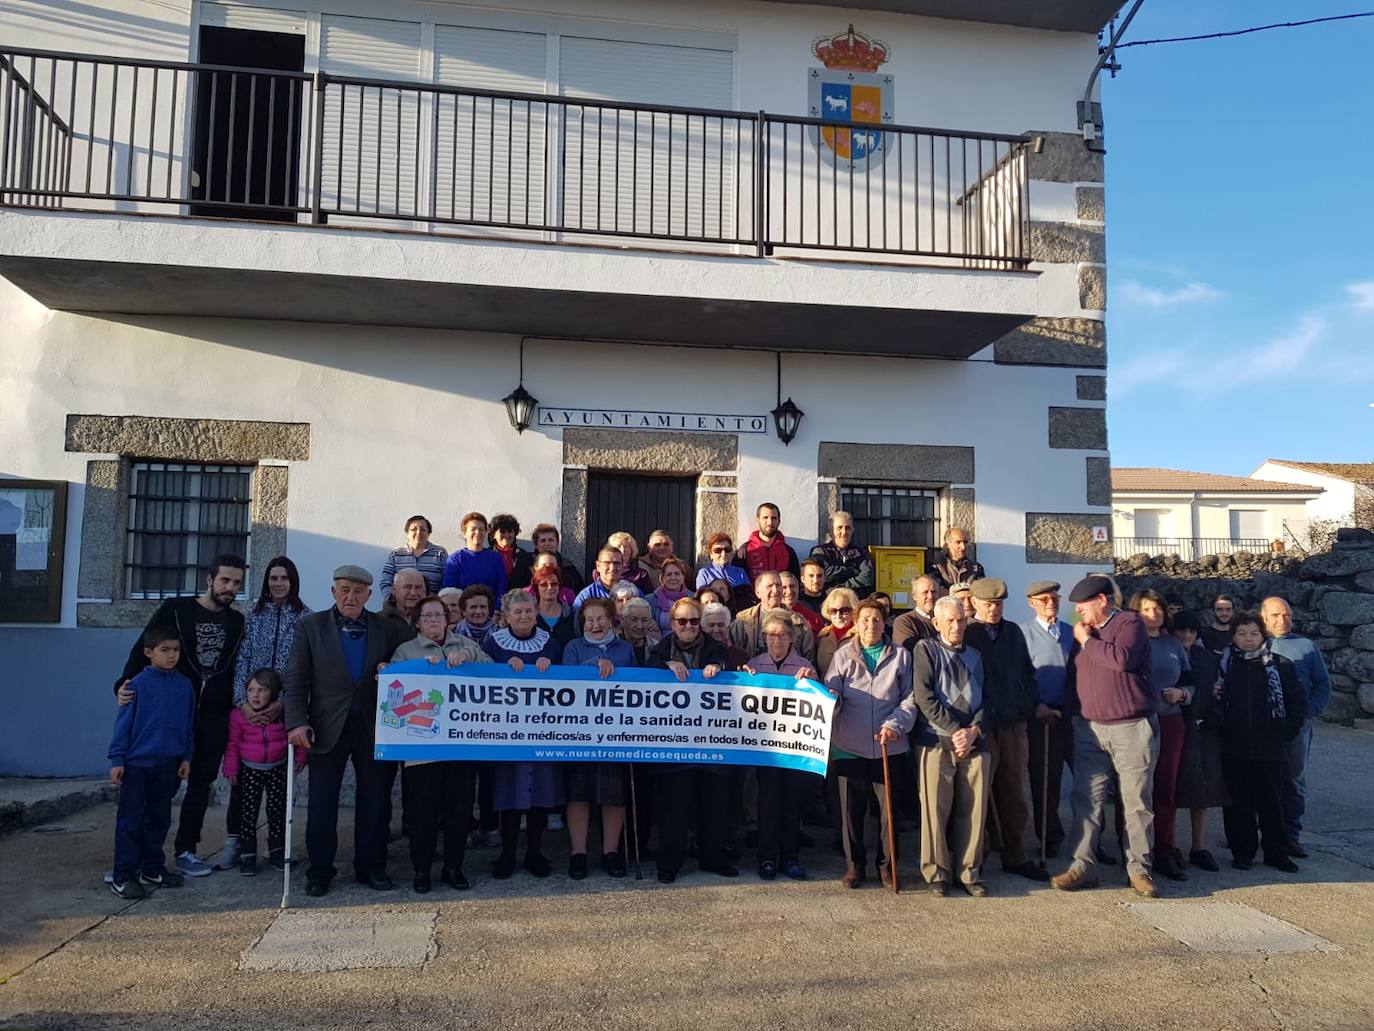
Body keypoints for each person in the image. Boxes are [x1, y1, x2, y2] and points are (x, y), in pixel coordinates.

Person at [114, 554, 246, 879]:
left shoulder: (237, 622)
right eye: (225, 580)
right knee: (157, 792)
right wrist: (123, 683)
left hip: (214, 716)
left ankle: (186, 851)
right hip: (171, 716)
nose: (230, 588)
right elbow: (142, 648)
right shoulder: (176, 609)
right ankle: (136, 862)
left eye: (237, 583)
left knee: (200, 786)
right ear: (209, 580)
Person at [285, 565, 410, 896]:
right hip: (325, 727)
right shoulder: (310, 626)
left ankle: (371, 867)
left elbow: (410, 662)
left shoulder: (387, 629)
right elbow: (296, 678)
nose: (350, 596)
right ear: (333, 592)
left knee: (375, 801)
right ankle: (320, 871)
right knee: (322, 804)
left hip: (374, 726)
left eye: (358, 591)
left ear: (369, 595)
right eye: (344, 589)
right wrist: (296, 721)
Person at [1051, 575, 1160, 899]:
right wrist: (1072, 715)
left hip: (1131, 726)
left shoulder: (1130, 623)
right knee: (1086, 798)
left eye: (1082, 606)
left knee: (1136, 801)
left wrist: (1088, 641)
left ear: (1102, 601)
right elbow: (1075, 677)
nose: (1077, 612)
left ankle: (1139, 869)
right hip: (1089, 728)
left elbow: (1121, 660)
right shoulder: (1084, 633)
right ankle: (1082, 865)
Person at [221, 556, 310, 871]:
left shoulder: (305, 618)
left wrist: (282, 703)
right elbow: (241, 658)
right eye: (273, 578)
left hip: (284, 711)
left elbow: (303, 666)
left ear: (293, 581)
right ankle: (239, 847)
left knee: (278, 794)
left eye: (284, 578)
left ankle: (278, 848)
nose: (278, 583)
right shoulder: (253, 616)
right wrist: (243, 703)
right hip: (250, 708)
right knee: (243, 793)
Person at [388, 595, 482, 892]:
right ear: (417, 622)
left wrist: (467, 655)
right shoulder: (405, 652)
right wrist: (420, 670)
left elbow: (494, 671)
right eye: (426, 616)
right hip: (422, 748)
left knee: (459, 809)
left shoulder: (466, 644)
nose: (433, 621)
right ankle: (422, 869)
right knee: (422, 812)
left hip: (462, 745)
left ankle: (454, 867)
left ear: (447, 619)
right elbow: (394, 691)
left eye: (438, 615)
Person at [825, 598, 917, 889]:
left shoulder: (901, 656)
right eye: (864, 619)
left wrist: (895, 725)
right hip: (848, 744)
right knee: (851, 813)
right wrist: (831, 699)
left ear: (884, 622)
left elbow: (910, 699)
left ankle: (887, 866)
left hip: (889, 746)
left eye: (876, 619)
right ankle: (855, 866)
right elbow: (832, 689)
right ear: (855, 623)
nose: (870, 625)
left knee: (888, 813)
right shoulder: (842, 655)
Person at [1208, 611, 1306, 872]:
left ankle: (1276, 852)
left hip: (1270, 747)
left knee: (1272, 803)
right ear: (1233, 637)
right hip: (1234, 745)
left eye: (1253, 633)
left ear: (1263, 635)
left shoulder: (1281, 665)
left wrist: (1287, 732)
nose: (1248, 639)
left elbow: (1297, 702)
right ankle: (1243, 852)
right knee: (1239, 803)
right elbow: (1214, 701)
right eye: (1241, 634)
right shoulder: (1225, 666)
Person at [648, 597, 736, 883]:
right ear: (672, 623)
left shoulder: (718, 650)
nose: (688, 626)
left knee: (716, 806)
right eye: (682, 621)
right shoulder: (659, 651)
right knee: (675, 808)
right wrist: (665, 667)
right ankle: (670, 862)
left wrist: (719, 667)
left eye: (694, 621)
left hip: (713, 746)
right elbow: (645, 686)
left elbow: (734, 674)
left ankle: (714, 858)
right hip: (674, 748)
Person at [964, 579, 1046, 882]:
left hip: (1013, 724)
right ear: (974, 603)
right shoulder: (968, 633)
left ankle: (1016, 855)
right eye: (988, 604)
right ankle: (977, 857)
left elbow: (1028, 672)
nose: (994, 609)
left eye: (998, 604)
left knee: (1014, 793)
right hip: (982, 727)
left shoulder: (1013, 632)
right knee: (979, 795)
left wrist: (1026, 704)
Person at [107, 625, 195, 898]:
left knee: (159, 817)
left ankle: (152, 867)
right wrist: (117, 759)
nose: (171, 656)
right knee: (130, 819)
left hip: (168, 764)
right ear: (149, 652)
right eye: (164, 650)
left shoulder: (184, 686)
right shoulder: (136, 685)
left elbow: (188, 724)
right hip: (137, 764)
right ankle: (123, 873)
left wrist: (186, 756)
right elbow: (123, 725)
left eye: (176, 650)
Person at [482, 590, 565, 879]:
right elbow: (482, 679)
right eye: (517, 612)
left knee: (540, 794)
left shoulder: (550, 644)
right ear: (506, 616)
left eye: (529, 612)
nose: (524, 616)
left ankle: (534, 853)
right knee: (509, 794)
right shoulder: (493, 643)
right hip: (508, 730)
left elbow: (566, 683)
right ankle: (507, 853)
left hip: (543, 729)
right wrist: (503, 671)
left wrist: (549, 669)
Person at [912, 597, 991, 896]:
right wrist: (957, 730)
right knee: (935, 809)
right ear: (936, 623)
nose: (957, 626)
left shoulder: (976, 655)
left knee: (974, 810)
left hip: (974, 741)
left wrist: (973, 730)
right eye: (950, 621)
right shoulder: (926, 649)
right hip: (936, 741)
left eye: (961, 620)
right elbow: (924, 697)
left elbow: (987, 698)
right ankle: (937, 873)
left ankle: (969, 873)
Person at [561, 596, 633, 879]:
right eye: (589, 620)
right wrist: (592, 663)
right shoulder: (573, 647)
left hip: (615, 731)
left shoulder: (625, 649)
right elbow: (564, 680)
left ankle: (610, 852)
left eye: (601, 619)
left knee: (614, 795)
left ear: (611, 620)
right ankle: (578, 853)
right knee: (578, 794)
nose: (595, 624)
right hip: (580, 731)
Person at [743, 614, 817, 881]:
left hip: (794, 750)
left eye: (782, 634)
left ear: (792, 638)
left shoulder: (804, 665)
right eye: (771, 635)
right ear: (764, 638)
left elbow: (818, 703)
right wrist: (745, 681)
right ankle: (766, 858)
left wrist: (811, 681)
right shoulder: (753, 665)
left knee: (791, 805)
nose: (777, 639)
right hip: (765, 749)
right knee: (767, 804)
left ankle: (790, 857)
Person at [1128, 588, 1193, 881]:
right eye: (1146, 609)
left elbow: (1191, 682)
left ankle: (1165, 850)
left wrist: (1182, 694)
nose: (1153, 615)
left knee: (1165, 788)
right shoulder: (1129, 643)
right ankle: (1132, 851)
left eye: (1157, 609)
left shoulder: (1173, 644)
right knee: (1136, 790)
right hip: (1136, 723)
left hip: (1170, 722)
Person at [1261, 596, 1332, 859]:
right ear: (1264, 617)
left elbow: (1322, 685)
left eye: (1287, 615)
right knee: (1262, 778)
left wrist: (1308, 714)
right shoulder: (1255, 643)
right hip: (1261, 725)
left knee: (1293, 780)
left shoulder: (1306, 646)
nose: (1283, 620)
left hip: (1296, 726)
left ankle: (1291, 835)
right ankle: (1260, 832)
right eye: (1276, 615)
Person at [1020, 580, 1074, 860]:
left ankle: (1091, 839)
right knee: (1047, 783)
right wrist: (1036, 706)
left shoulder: (1071, 633)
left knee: (1090, 782)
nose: (1050, 602)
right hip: (1042, 718)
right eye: (1044, 599)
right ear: (1031, 603)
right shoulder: (1023, 635)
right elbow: (1021, 679)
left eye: (1054, 598)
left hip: (1073, 716)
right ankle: (1049, 837)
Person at [1170, 610, 1228, 872]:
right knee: (1170, 787)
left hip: (1203, 729)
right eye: (1182, 631)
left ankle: (1198, 846)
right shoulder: (1167, 655)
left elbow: (1214, 690)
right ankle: (1169, 844)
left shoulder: (1205, 657)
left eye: (1192, 631)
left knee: (1202, 790)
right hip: (1174, 725)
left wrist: (1212, 717)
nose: (1187, 636)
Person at [222, 668, 293, 876]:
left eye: (261, 690)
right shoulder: (238, 716)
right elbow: (233, 744)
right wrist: (231, 768)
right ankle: (247, 856)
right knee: (248, 813)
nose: (255, 695)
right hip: (250, 769)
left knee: (276, 811)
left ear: (273, 692)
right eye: (251, 690)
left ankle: (277, 852)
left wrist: (299, 758)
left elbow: (294, 737)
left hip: (277, 767)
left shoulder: (282, 715)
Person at [730, 571, 816, 661]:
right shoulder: (742, 622)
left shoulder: (799, 623)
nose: (775, 590)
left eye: (778, 585)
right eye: (770, 586)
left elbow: (808, 660)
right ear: (757, 593)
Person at [380, 514, 448, 597]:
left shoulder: (440, 553)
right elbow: (386, 582)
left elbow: (447, 582)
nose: (419, 532)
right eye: (413, 529)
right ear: (407, 533)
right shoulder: (396, 555)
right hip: (401, 606)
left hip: (430, 606)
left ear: (429, 533)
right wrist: (392, 601)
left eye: (423, 529)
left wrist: (437, 602)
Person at [809, 510, 874, 597]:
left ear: (852, 530)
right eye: (839, 527)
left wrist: (842, 587)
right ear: (831, 531)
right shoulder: (820, 551)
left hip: (855, 602)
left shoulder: (861, 553)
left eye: (848, 528)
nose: (844, 532)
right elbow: (824, 573)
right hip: (826, 602)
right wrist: (853, 570)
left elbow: (867, 578)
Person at [442, 512, 508, 597]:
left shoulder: (495, 558)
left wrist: (496, 609)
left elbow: (502, 588)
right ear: (464, 533)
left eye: (481, 529)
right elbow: (449, 590)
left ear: (486, 532)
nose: (477, 532)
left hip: (491, 609)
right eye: (473, 529)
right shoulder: (455, 559)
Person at [733, 503, 801, 582]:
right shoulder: (744, 551)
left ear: (779, 521)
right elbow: (737, 583)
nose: (769, 522)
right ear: (757, 520)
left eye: (774, 518)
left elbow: (795, 583)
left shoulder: (789, 552)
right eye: (765, 518)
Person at [815, 587, 860, 675]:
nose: (838, 616)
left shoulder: (861, 635)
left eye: (844, 610)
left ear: (854, 611)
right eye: (833, 611)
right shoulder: (822, 637)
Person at [530, 522, 585, 593]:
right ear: (536, 545)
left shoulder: (568, 567)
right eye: (543, 540)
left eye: (551, 540)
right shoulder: (527, 565)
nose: (547, 544)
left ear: (557, 543)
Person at [531, 565, 577, 649]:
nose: (550, 588)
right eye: (544, 584)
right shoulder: (530, 616)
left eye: (554, 584)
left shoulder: (572, 615)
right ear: (536, 588)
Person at [892, 574, 940, 651]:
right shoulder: (904, 622)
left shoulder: (946, 620)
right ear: (914, 596)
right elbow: (914, 652)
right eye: (925, 592)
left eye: (933, 592)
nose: (930, 596)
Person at [696, 532, 753, 596]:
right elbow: (702, 598)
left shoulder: (740, 572)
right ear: (711, 554)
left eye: (727, 549)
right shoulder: (704, 574)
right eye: (718, 550)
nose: (723, 554)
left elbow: (749, 596)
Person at [490, 513, 535, 590]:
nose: (506, 535)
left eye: (510, 531)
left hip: (517, 600)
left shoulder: (524, 556)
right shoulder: (487, 555)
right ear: (494, 534)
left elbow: (530, 583)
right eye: (502, 532)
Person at [649, 556, 693, 634]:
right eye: (669, 574)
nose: (673, 577)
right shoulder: (650, 600)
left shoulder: (693, 599)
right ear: (662, 579)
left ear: (683, 577)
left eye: (677, 574)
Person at [573, 547, 625, 612]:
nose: (612, 568)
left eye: (617, 563)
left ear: (623, 566)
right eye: (607, 563)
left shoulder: (633, 593)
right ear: (598, 566)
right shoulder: (585, 596)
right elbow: (576, 621)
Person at [701, 601, 750, 669]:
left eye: (721, 625)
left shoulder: (741, 655)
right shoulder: (697, 652)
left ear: (727, 627)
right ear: (703, 628)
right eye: (711, 625)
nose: (716, 630)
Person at [381, 568, 427, 637]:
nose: (413, 593)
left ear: (425, 591)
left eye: (418, 587)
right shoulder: (378, 622)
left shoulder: (434, 619)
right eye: (407, 587)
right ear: (394, 590)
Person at [780, 571, 824, 638]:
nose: (789, 591)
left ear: (798, 588)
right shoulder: (769, 614)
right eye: (784, 587)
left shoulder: (813, 618)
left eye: (792, 586)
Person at [620, 597, 661, 666]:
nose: (639, 626)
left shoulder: (656, 647)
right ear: (622, 620)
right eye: (634, 620)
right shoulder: (611, 646)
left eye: (644, 620)